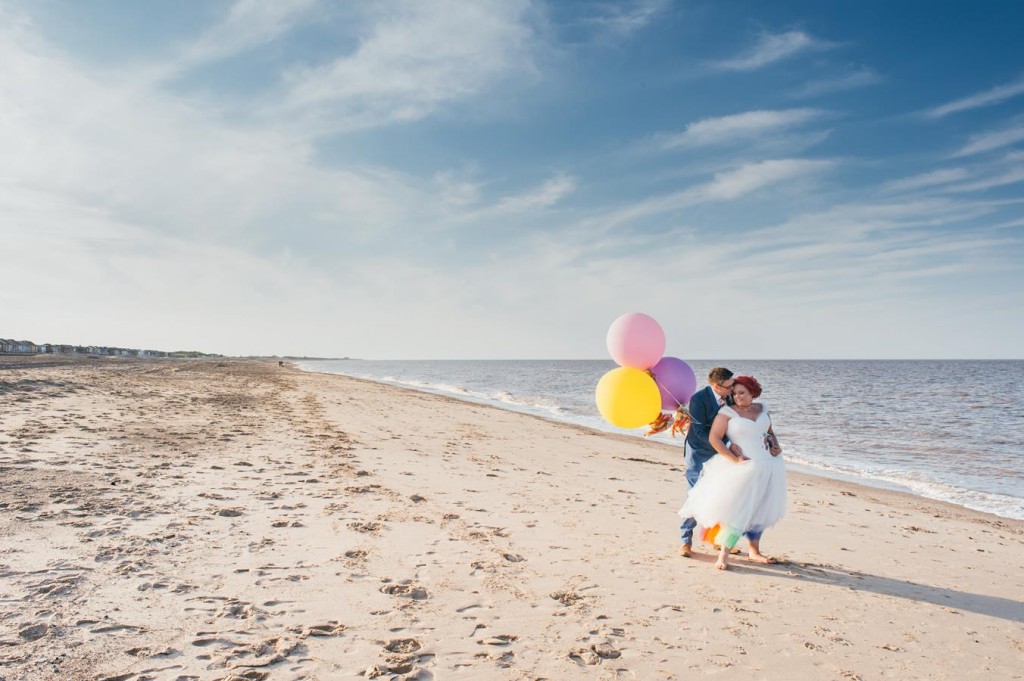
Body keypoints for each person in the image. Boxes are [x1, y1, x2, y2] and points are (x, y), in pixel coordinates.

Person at [678, 375, 786, 570]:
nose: (737, 397)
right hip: (742, 467)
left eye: (741, 393)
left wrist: (775, 445)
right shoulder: (727, 412)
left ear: (753, 393)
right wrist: (733, 459)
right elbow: (714, 438)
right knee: (737, 511)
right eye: (734, 393)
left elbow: (769, 432)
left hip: (768, 465)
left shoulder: (762, 410)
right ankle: (723, 555)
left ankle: (754, 551)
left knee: (760, 509)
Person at [678, 367, 738, 558]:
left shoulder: (730, 397)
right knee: (695, 494)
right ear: (716, 386)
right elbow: (700, 431)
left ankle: (717, 539)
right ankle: (685, 541)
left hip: (721, 453)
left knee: (720, 495)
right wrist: (726, 444)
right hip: (699, 451)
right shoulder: (699, 399)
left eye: (733, 384)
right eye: (729, 386)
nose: (733, 389)